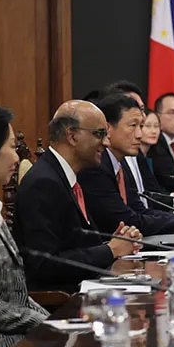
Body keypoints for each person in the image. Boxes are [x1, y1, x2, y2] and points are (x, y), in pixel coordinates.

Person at [14, 100, 142, 291]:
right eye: (99, 134)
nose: (106, 142)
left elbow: (72, 244)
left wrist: (113, 243)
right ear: (72, 136)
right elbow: (45, 265)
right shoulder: (44, 182)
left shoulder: (64, 175)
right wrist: (110, 250)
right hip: (63, 300)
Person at [0, 105, 49, 347]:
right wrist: (44, 324)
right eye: (11, 147)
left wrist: (61, 324)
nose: (17, 158)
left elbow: (16, 296)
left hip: (17, 338)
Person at [77, 93, 174, 236]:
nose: (139, 134)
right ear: (107, 129)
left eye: (141, 126)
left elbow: (138, 210)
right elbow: (125, 221)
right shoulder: (96, 167)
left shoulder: (121, 164)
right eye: (133, 126)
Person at [94, 82, 174, 209]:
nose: (143, 116)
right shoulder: (100, 163)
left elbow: (144, 197)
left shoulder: (133, 152)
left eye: (142, 109)